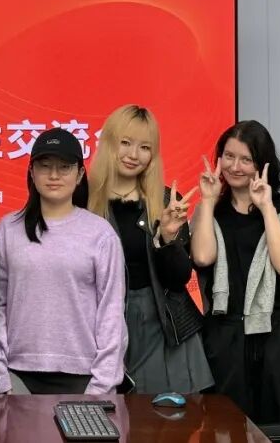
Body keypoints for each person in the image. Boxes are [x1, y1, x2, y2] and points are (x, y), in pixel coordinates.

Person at [190, 120, 280, 423]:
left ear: (262, 164)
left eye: (246, 159)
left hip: (279, 336)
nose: (235, 167)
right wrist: (207, 201)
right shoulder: (211, 212)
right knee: (226, 427)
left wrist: (266, 206)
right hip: (227, 336)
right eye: (228, 156)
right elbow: (203, 257)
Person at [86, 104, 213, 394]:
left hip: (162, 323)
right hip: (102, 321)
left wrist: (168, 238)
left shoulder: (167, 200)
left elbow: (179, 278)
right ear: (109, 143)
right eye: (125, 143)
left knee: (167, 418)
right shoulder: (83, 200)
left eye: (145, 147)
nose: (134, 155)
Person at [0, 128, 127, 395]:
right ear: (31, 172)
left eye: (64, 167)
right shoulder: (8, 229)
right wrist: (0, 377)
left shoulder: (100, 233)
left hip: (84, 376)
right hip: (17, 374)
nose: (54, 175)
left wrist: (101, 385)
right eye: (45, 166)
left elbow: (111, 313)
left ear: (80, 174)